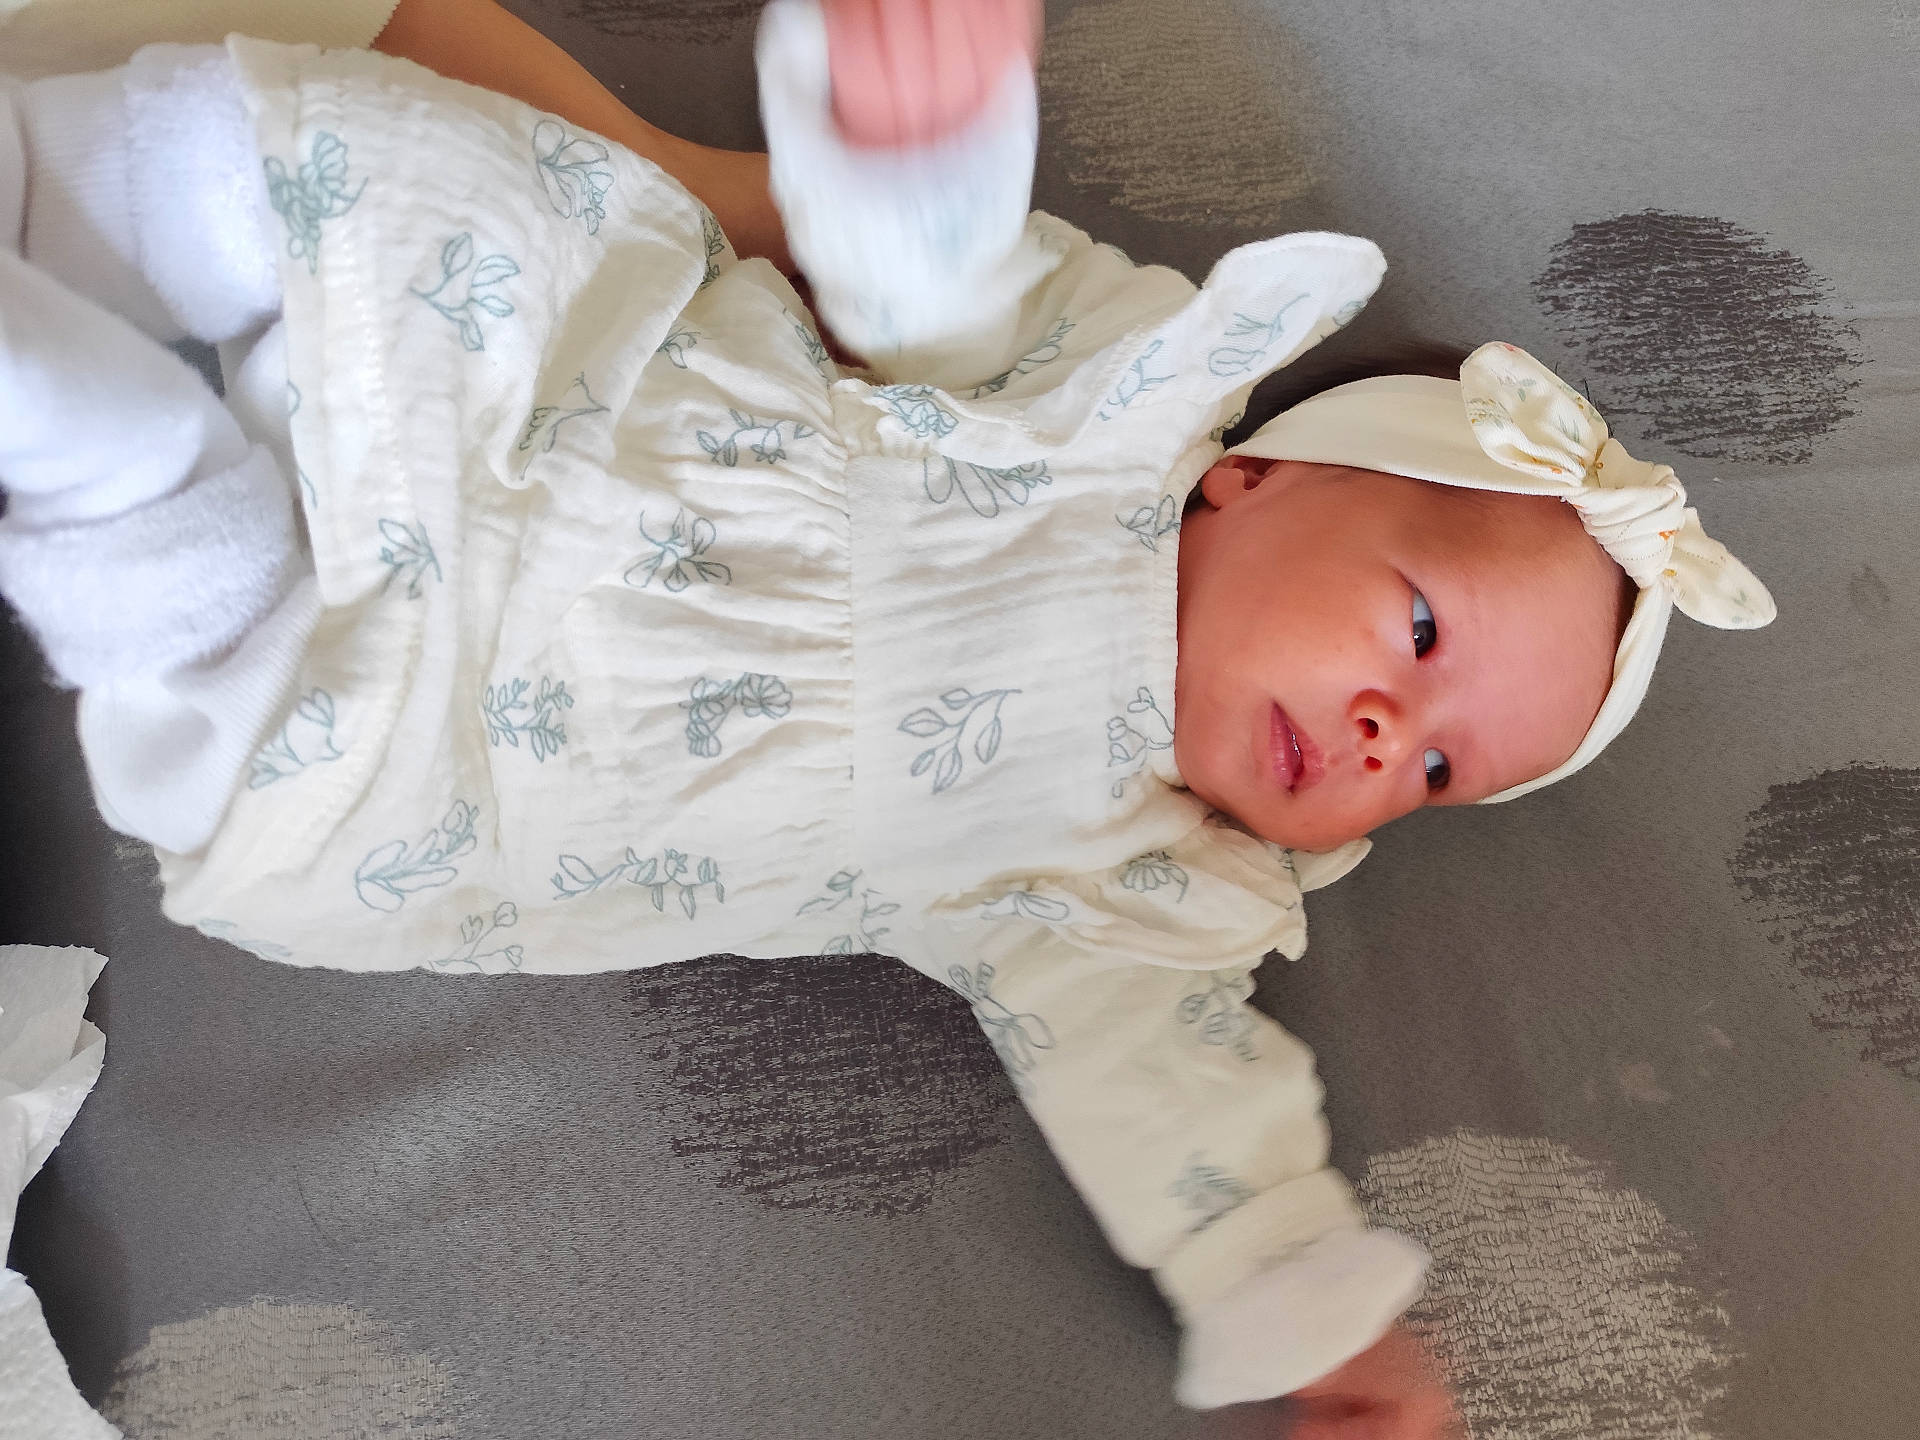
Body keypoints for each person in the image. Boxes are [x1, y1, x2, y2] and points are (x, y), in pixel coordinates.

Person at [0, 1, 1773, 1433]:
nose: (1392, 737)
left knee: (164, 528)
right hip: (510, 412)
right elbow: (923, 294)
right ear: (1255, 479)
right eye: (1417, 630)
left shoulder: (1130, 890)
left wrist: (1303, 1300)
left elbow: (1181, 1104)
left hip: (418, 766)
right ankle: (55, 188)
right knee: (418, 182)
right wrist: (919, 146)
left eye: (1444, 770)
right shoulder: (1113, 380)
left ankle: (84, 429)